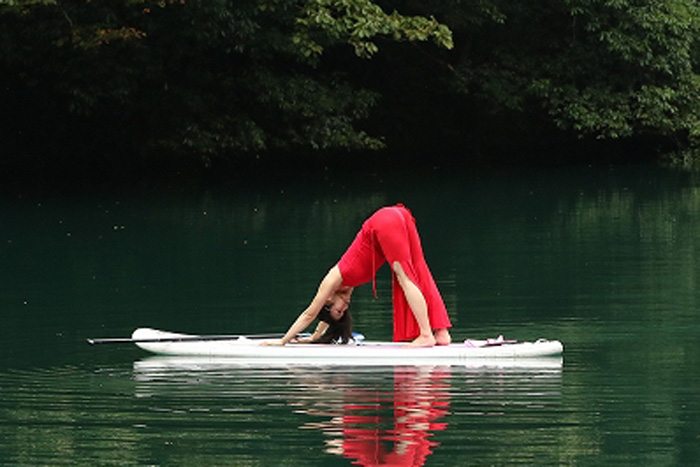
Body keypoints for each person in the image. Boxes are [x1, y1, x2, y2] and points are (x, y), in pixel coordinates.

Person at [273, 204, 451, 347]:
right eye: (344, 312)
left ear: (328, 301)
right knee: (418, 269)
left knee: (404, 277)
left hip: (384, 222)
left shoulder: (333, 279)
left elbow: (309, 314)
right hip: (399, 215)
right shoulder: (345, 291)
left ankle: (426, 334)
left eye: (339, 310)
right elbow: (326, 317)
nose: (345, 308)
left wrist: (282, 341)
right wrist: (316, 336)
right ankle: (441, 332)